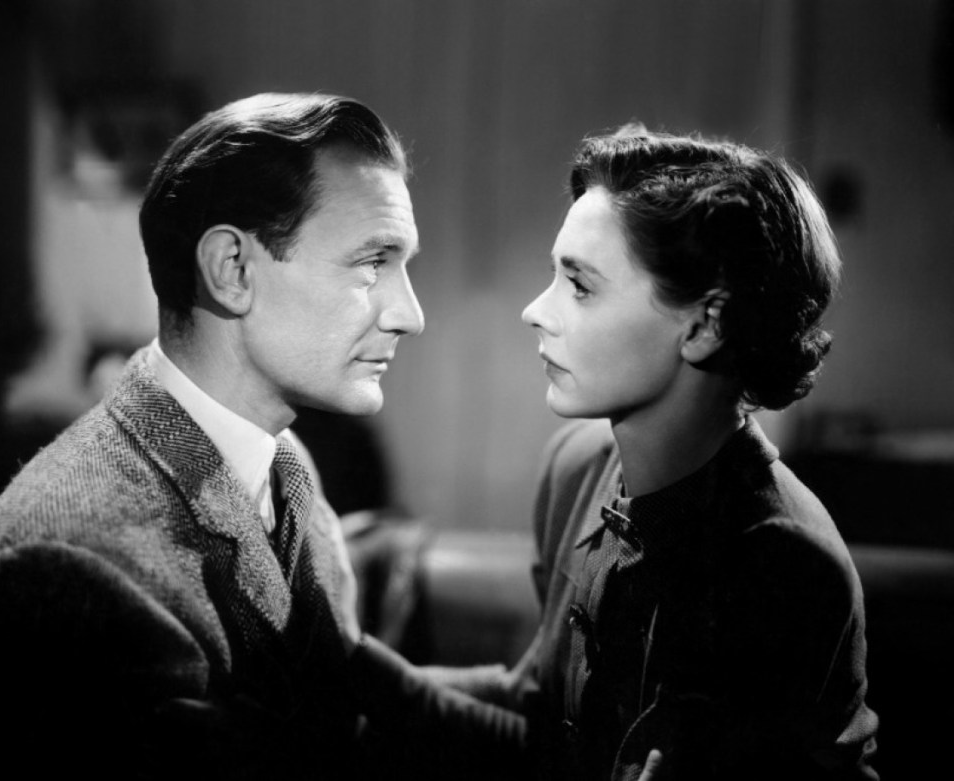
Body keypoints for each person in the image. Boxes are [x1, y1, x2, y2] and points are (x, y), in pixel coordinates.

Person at [350, 123, 880, 780]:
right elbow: (539, 719)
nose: (535, 310)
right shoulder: (576, 469)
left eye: (579, 284)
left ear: (704, 324)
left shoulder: (783, 565)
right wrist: (348, 663)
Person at [0, 91, 424, 781]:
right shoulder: (72, 563)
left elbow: (341, 712)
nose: (410, 314)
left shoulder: (283, 463)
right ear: (232, 269)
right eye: (373, 262)